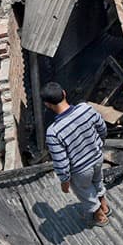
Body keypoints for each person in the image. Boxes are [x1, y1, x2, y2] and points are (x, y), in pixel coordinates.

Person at [42, 82, 109, 226]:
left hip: (80, 170)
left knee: (85, 192)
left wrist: (65, 182)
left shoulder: (53, 132)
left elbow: (61, 162)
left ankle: (99, 216)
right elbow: (102, 128)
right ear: (64, 93)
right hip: (97, 158)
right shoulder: (85, 109)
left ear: (47, 105)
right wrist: (99, 144)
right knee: (98, 181)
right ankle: (105, 206)